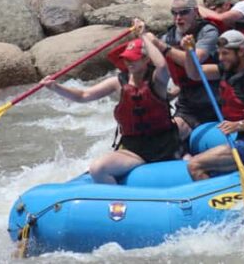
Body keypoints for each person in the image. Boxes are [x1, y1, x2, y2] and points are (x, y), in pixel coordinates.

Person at [40, 21, 178, 184]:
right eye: (126, 59)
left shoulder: (156, 81)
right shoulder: (118, 83)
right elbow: (83, 95)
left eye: (134, 59)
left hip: (162, 147)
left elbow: (162, 65)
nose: (128, 63)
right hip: (133, 149)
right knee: (98, 168)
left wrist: (143, 36)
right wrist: (56, 87)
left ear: (146, 59)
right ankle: (122, 205)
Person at [182, 30, 244, 180]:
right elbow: (195, 74)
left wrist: (239, 125)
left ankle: (218, 202)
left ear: (241, 51)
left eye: (225, 53)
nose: (221, 58)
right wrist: (189, 52)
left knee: (194, 164)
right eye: (219, 53)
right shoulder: (230, 68)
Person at [143, 0, 220, 144]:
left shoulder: (208, 31)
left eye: (184, 12)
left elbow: (195, 61)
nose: (178, 17)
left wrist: (160, 46)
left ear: (196, 12)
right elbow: (152, 66)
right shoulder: (169, 37)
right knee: (169, 135)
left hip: (216, 98)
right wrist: (143, 36)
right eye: (174, 13)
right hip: (188, 102)